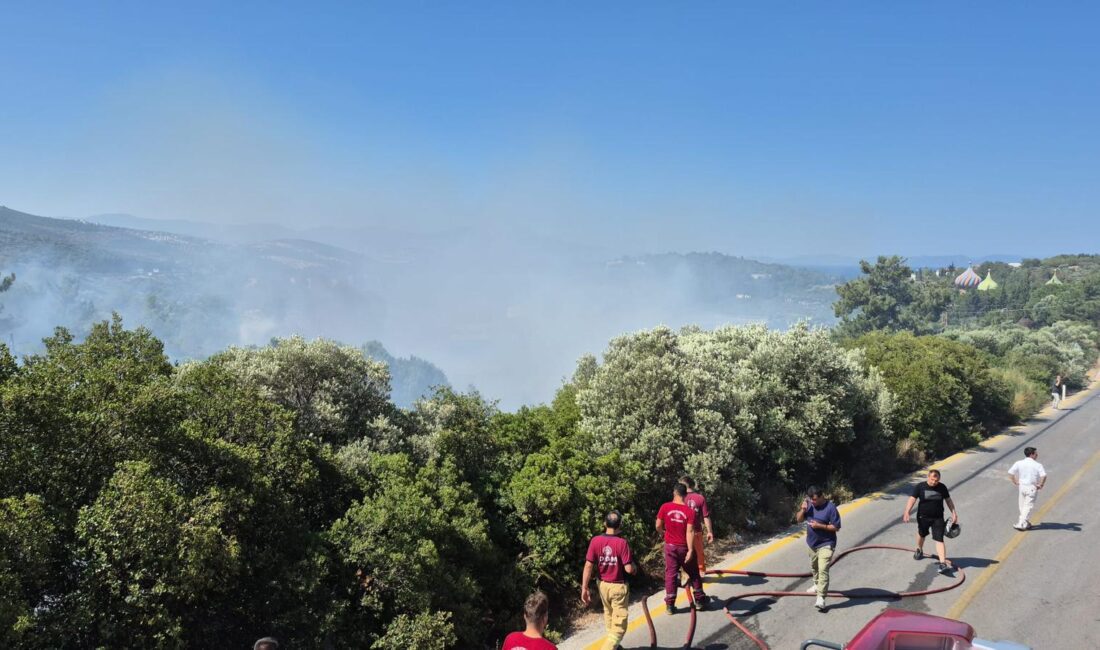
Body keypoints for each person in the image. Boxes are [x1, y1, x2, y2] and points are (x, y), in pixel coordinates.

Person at [581, 510, 635, 650]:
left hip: (603, 586)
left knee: (609, 615)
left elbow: (588, 565)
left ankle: (614, 646)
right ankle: (608, 647)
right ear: (620, 525)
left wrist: (584, 588)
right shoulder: (622, 543)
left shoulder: (595, 541)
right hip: (618, 587)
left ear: (605, 523)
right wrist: (635, 568)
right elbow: (628, 569)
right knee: (619, 626)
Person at [656, 483, 705, 612]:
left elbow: (658, 525)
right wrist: (690, 550)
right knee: (694, 573)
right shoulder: (690, 512)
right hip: (683, 547)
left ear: (674, 493)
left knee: (671, 574)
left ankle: (670, 605)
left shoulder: (665, 507)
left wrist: (663, 533)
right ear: (685, 495)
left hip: (670, 547)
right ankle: (699, 600)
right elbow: (690, 532)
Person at [901, 469, 958, 574]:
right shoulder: (920, 487)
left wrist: (954, 512)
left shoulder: (942, 487)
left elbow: (948, 500)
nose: (934, 482)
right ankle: (919, 549)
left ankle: (942, 563)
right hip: (923, 517)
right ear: (928, 477)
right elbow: (912, 499)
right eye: (932, 480)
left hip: (938, 518)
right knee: (921, 534)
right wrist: (907, 512)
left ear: (939, 480)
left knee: (939, 539)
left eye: (936, 481)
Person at [795, 486, 841, 612]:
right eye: (811, 500)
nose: (813, 502)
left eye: (815, 499)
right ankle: (816, 584)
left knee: (823, 570)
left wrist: (820, 526)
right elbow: (798, 520)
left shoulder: (830, 508)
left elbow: (836, 527)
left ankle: (821, 598)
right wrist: (803, 510)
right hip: (812, 544)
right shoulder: (809, 505)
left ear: (822, 496)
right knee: (814, 567)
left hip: (826, 544)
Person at [678, 475, 715, 576]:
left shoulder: (679, 498)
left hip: (682, 532)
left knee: (683, 554)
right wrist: (709, 531)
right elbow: (706, 516)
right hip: (696, 531)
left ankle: (686, 575)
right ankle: (700, 573)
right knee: (699, 554)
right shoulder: (699, 498)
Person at [1008, 447, 1047, 531]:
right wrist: (1041, 484)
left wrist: (1015, 481)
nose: (1037, 455)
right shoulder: (1037, 465)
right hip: (1031, 488)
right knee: (1028, 506)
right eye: (1036, 453)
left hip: (1022, 487)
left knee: (1022, 506)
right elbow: (1044, 475)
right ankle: (1021, 524)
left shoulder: (1019, 463)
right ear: (1031, 454)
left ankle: (1025, 523)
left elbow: (1010, 473)